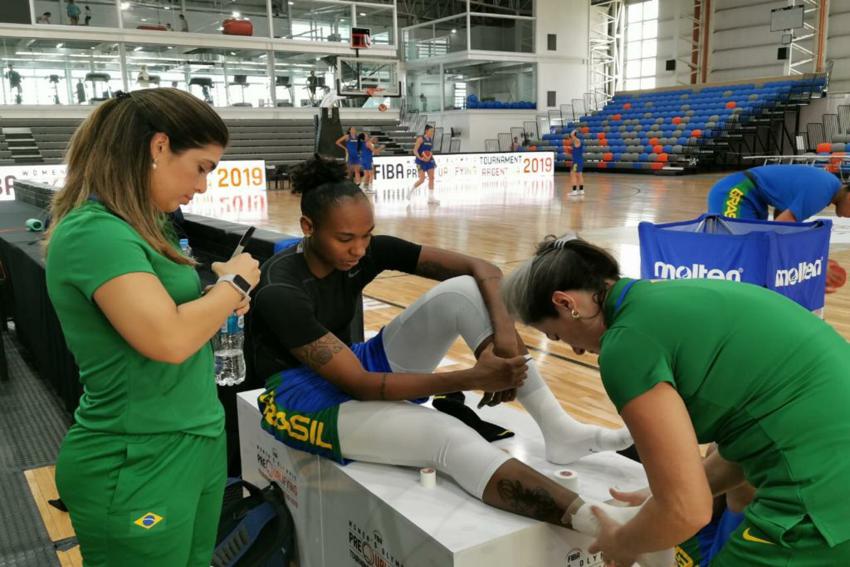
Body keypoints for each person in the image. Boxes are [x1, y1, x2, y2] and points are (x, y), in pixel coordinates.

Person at [244, 156, 653, 551]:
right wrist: (471, 378)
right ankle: (601, 524)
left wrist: (505, 337)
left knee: (463, 292)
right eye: (346, 238)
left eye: (368, 235)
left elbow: (482, 269)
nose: (360, 249)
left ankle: (560, 431)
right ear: (307, 227)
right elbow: (360, 384)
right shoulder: (280, 291)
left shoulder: (366, 251)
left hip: (352, 357)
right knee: (449, 437)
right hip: (299, 396)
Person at [501, 236, 850, 566]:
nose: (575, 349)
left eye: (557, 335)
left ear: (566, 304)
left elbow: (687, 511)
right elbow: (752, 443)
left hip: (822, 498)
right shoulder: (665, 297)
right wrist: (662, 498)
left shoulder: (626, 345)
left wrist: (622, 543)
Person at [44, 88, 261, 565]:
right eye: (202, 167)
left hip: (196, 440)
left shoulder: (147, 228)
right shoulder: (94, 232)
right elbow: (169, 339)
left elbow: (167, 317)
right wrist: (235, 285)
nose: (203, 186)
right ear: (159, 147)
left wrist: (210, 302)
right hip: (136, 458)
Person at [707, 164, 850, 222]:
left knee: (752, 247)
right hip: (737, 192)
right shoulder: (822, 192)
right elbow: (782, 226)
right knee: (740, 247)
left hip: (751, 196)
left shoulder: (828, 184)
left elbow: (780, 215)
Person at [407, 124, 439, 204]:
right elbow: (415, 150)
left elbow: (430, 151)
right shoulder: (420, 139)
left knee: (432, 178)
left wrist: (429, 156)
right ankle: (410, 192)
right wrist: (420, 157)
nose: (432, 132)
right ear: (426, 131)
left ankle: (431, 198)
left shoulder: (430, 139)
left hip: (429, 159)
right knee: (422, 179)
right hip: (420, 160)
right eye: (431, 131)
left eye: (433, 131)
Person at [569, 129, 584, 196]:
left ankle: (574, 191)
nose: (570, 140)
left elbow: (572, 134)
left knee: (573, 174)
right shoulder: (577, 143)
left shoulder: (577, 140)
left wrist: (575, 130)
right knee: (579, 175)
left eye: (571, 138)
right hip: (579, 161)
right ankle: (581, 190)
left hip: (576, 162)